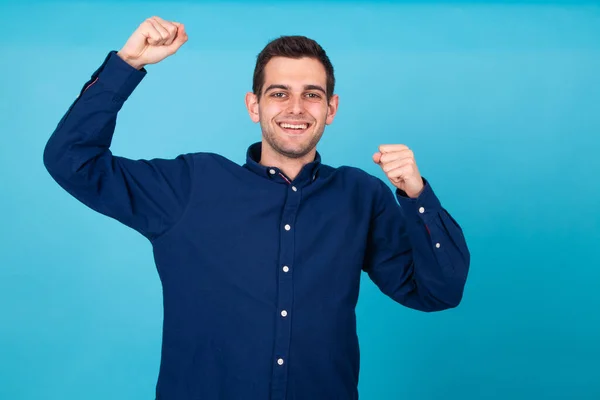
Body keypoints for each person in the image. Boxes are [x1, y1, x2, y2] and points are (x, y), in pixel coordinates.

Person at [43, 16, 470, 400]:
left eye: (312, 95)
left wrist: (417, 196)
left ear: (331, 109)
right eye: (279, 93)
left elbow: (438, 291)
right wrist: (128, 63)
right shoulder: (189, 185)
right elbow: (71, 161)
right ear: (254, 106)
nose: (296, 109)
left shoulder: (361, 196)